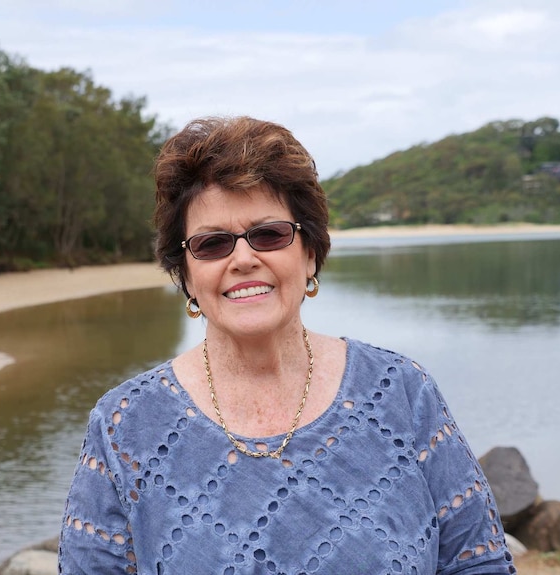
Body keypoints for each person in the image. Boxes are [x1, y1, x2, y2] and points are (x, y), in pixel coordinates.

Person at [58, 116, 517, 574]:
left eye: (269, 235)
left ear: (310, 251)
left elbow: (478, 563)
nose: (243, 258)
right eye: (213, 244)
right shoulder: (125, 428)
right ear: (186, 275)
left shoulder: (403, 392)